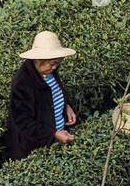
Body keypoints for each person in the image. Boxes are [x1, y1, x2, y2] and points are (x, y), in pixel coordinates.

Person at [7, 31, 78, 159]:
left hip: (58, 134)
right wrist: (53, 134)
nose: (56, 67)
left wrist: (66, 106)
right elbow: (24, 122)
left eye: (57, 63)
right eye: (53, 63)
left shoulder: (49, 71)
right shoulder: (22, 83)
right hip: (36, 146)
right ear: (39, 60)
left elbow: (54, 92)